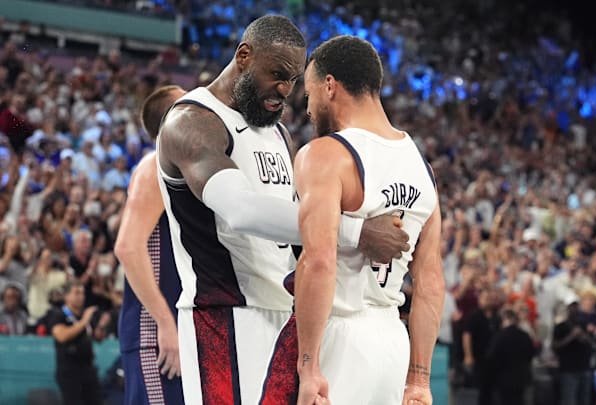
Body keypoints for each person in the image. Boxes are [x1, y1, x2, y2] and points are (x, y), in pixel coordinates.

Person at [156, 16, 409, 405]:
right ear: (244, 56)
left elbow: (297, 230)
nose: (285, 90)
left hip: (287, 312)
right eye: (277, 74)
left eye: (293, 80)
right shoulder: (192, 121)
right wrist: (356, 232)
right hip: (224, 316)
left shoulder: (277, 132)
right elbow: (240, 210)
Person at [260, 35, 444, 405]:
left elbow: (319, 260)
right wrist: (420, 379)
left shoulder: (325, 154)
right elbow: (430, 282)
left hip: (338, 337)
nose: (309, 109)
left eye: (309, 94)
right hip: (392, 340)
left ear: (330, 86)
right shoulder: (421, 167)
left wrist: (309, 367)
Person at [114, 84, 187, 405]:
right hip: (154, 330)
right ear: (173, 119)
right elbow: (127, 248)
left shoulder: (183, 170)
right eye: (189, 105)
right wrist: (164, 323)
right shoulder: (155, 165)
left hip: (176, 324)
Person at [47, 280, 112, 405]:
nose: (81, 297)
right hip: (69, 371)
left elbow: (98, 338)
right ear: (66, 296)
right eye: (76, 293)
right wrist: (84, 321)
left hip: (88, 368)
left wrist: (102, 326)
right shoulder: (58, 314)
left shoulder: (84, 315)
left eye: (82, 293)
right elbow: (62, 336)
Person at [485, 308, 536, 405]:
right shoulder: (525, 336)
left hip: (503, 378)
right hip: (521, 378)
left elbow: (491, 357)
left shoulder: (499, 336)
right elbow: (531, 354)